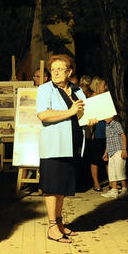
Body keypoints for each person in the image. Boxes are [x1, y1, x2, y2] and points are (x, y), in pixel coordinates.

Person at [36, 54, 87, 243]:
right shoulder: (45, 89)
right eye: (53, 69)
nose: (56, 72)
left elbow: (84, 113)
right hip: (54, 146)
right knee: (52, 187)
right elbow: (43, 115)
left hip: (72, 146)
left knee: (62, 188)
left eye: (60, 69)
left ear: (69, 72)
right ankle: (52, 227)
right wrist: (70, 112)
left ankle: (59, 223)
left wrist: (90, 119)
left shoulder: (77, 90)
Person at [101, 113, 128, 198]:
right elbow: (108, 140)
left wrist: (124, 150)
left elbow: (123, 136)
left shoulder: (116, 124)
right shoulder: (107, 126)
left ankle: (124, 189)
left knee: (120, 170)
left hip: (118, 150)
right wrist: (106, 152)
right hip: (111, 152)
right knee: (112, 172)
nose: (105, 118)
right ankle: (114, 189)